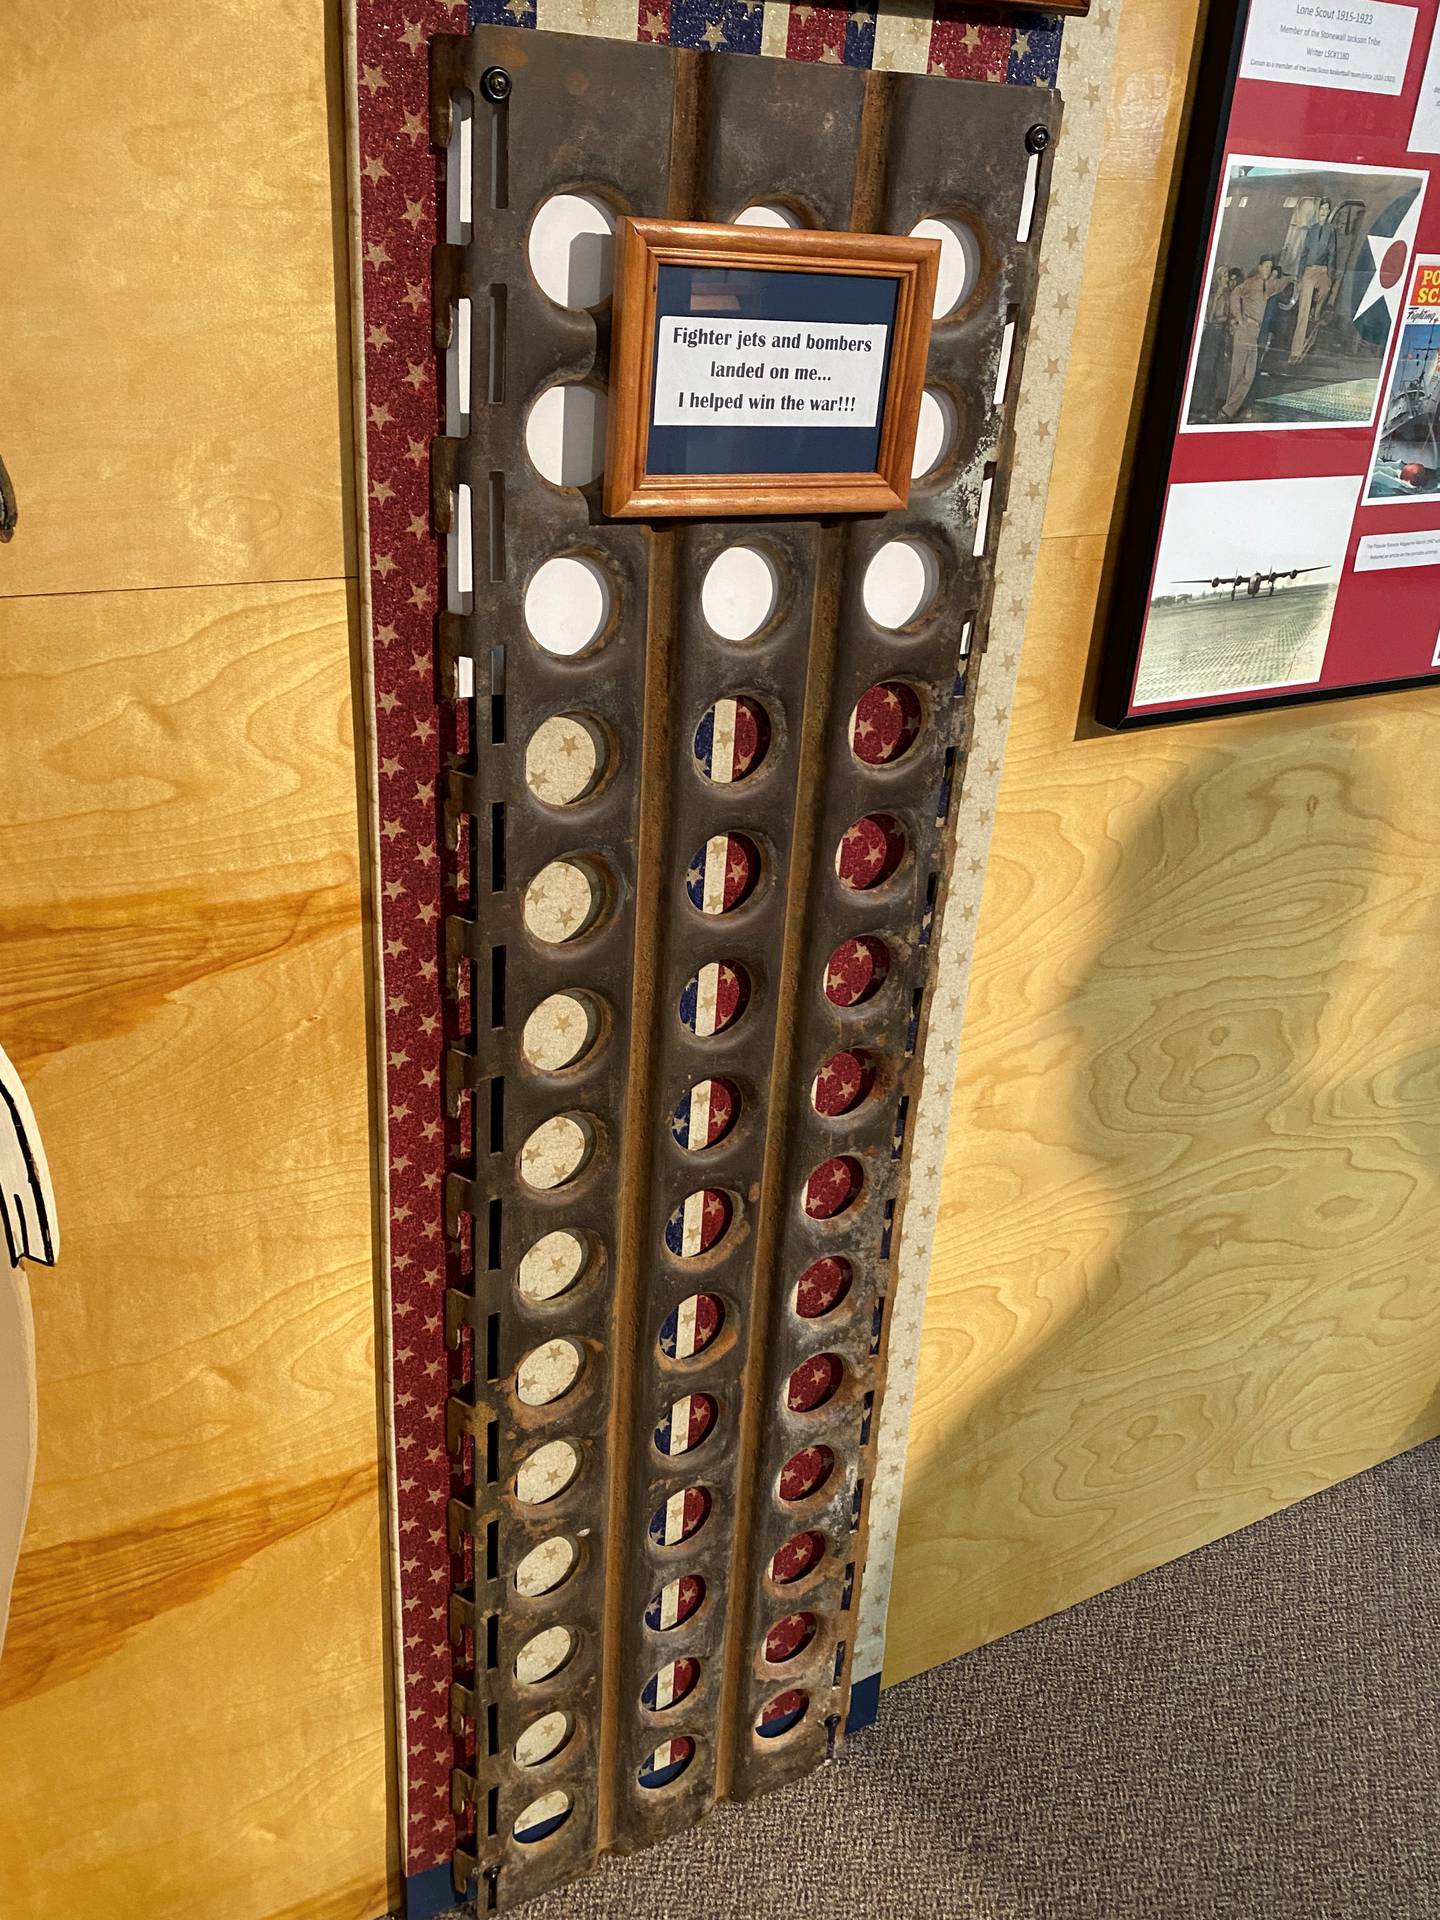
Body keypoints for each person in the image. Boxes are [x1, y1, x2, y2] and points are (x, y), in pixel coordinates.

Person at [1222, 254, 1287, 420]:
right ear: (1259, 267)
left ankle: (1228, 409)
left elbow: (1281, 285)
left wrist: (1294, 279)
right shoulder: (1251, 283)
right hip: (1245, 330)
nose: (1267, 269)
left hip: (1256, 334)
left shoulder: (1269, 285)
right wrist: (1239, 318)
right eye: (1265, 266)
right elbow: (1235, 294)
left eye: (1270, 267)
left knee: (1249, 376)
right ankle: (1227, 412)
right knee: (1237, 373)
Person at [1288, 199, 1337, 363]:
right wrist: (1300, 276)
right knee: (1303, 311)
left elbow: (1332, 253)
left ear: (1329, 212)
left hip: (1323, 270)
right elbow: (1304, 253)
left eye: (1327, 209)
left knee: (1326, 289)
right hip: (1309, 270)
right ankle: (1295, 350)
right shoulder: (1312, 230)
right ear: (1318, 211)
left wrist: (1330, 275)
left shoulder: (1331, 230)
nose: (1324, 211)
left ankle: (1316, 313)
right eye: (1322, 208)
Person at [1192, 266, 1239, 418]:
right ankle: (1198, 405)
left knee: (1217, 371)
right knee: (1206, 368)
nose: (1227, 277)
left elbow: (1231, 314)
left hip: (1221, 334)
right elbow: (1210, 316)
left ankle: (1210, 405)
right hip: (1212, 333)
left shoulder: (1229, 295)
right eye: (1224, 275)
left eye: (1227, 274)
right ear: (1219, 278)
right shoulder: (1214, 295)